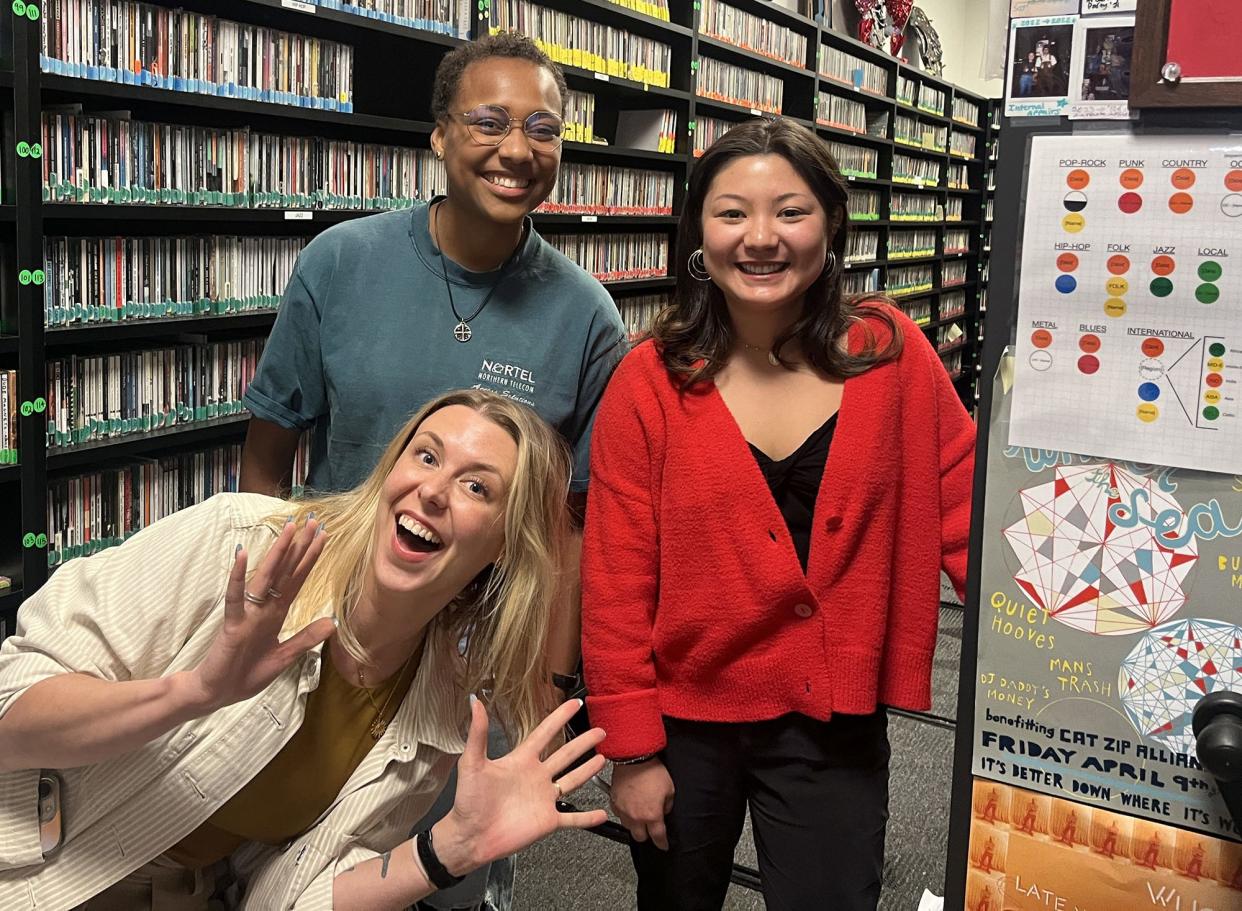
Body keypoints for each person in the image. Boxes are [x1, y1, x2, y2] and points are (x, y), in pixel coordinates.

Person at [238, 33, 627, 908]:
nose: (517, 149)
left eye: (543, 128)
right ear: (439, 137)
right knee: (296, 861)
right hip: (331, 633)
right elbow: (267, 453)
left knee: (453, 871)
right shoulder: (340, 263)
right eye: (488, 122)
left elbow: (569, 525)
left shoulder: (586, 315)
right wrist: (261, 611)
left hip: (481, 665)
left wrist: (551, 690)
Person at [0, 389, 608, 910]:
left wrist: (446, 851)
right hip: (30, 854)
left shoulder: (440, 713)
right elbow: (11, 707)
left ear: (504, 542)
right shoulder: (239, 543)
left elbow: (290, 894)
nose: (434, 491)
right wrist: (190, 693)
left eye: (477, 486)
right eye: (425, 456)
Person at [580, 118, 975, 911]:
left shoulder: (891, 352)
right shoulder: (648, 380)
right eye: (732, 213)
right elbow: (616, 581)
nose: (761, 238)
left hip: (833, 718)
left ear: (831, 224)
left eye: (790, 211)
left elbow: (971, 513)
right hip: (682, 724)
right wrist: (630, 753)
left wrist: (1050, 656)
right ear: (698, 230)